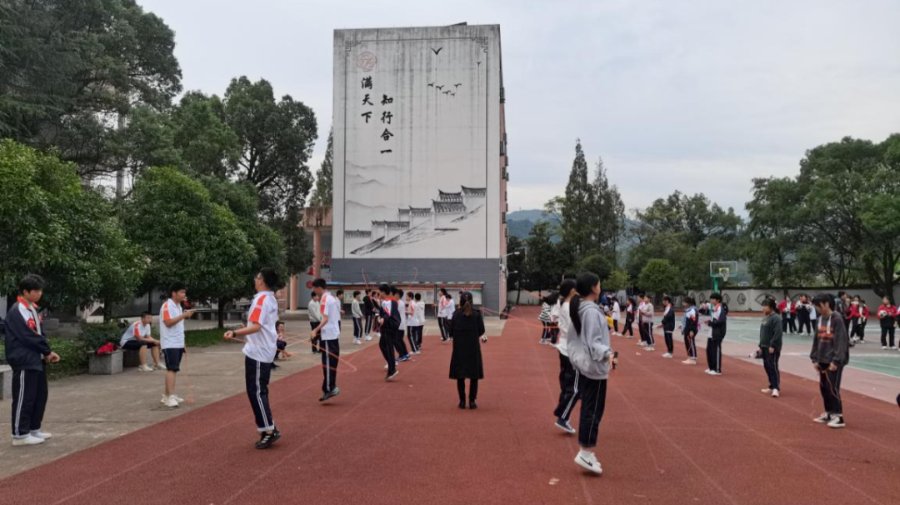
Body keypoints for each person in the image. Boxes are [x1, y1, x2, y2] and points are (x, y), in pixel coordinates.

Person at [224, 268, 282, 449]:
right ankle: (267, 427)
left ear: (262, 281)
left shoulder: (261, 299)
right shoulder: (271, 298)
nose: (254, 279)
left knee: (256, 391)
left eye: (257, 277)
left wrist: (235, 331)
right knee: (257, 390)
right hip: (262, 349)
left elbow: (256, 326)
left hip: (258, 351)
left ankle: (269, 430)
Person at [567, 272, 616, 475]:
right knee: (593, 410)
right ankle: (585, 451)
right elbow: (593, 341)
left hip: (588, 365)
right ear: (594, 288)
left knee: (591, 408)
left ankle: (586, 449)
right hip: (594, 367)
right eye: (599, 283)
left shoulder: (583, 309)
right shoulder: (590, 311)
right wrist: (608, 355)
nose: (600, 285)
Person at [6, 274, 61, 447]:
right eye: (35, 291)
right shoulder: (17, 310)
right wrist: (46, 349)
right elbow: (27, 336)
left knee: (39, 395)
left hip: (36, 358)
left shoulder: (32, 309)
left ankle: (33, 428)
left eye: (40, 290)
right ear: (25, 291)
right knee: (24, 397)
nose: (39, 294)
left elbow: (39, 333)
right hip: (24, 358)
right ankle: (20, 434)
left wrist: (45, 353)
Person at [810, 293, 850, 429]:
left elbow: (841, 341)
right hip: (821, 358)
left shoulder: (837, 319)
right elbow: (816, 339)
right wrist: (814, 357)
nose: (817, 309)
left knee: (833, 387)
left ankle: (838, 416)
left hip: (833, 360)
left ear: (827, 304)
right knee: (824, 387)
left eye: (819, 305)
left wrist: (836, 361)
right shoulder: (820, 319)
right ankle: (829, 412)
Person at [159, 283, 196, 408]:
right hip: (170, 343)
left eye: (184, 292)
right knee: (172, 369)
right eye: (181, 292)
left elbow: (179, 327)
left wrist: (182, 344)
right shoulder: (167, 306)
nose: (184, 295)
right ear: (173, 293)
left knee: (173, 369)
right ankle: (170, 396)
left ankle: (167, 395)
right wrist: (184, 316)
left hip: (177, 342)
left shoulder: (178, 306)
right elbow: (168, 323)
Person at [448, 291, 486, 410]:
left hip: (459, 349)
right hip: (473, 349)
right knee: (474, 376)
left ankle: (462, 401)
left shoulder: (456, 314)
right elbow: (481, 330)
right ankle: (472, 401)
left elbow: (451, 332)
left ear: (460, 301)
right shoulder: (477, 314)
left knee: (460, 375)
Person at [552, 279, 579, 434]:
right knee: (575, 389)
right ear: (571, 291)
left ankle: (563, 414)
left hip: (564, 348)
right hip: (570, 350)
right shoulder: (569, 307)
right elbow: (573, 330)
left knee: (566, 384)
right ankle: (562, 416)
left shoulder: (563, 305)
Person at [310, 278, 341, 402]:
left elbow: (325, 319)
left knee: (328, 363)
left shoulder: (325, 299)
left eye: (314, 288)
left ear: (319, 287)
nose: (313, 290)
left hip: (328, 335)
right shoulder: (331, 298)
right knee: (331, 362)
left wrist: (315, 330)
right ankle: (328, 387)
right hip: (333, 334)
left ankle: (329, 388)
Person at [375, 284, 401, 380]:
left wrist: (382, 319)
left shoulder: (389, 301)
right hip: (388, 327)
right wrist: (379, 316)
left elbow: (388, 314)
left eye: (380, 292)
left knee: (388, 347)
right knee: (383, 345)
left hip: (390, 327)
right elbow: (384, 313)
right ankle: (392, 364)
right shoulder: (386, 301)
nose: (379, 293)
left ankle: (392, 368)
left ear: (383, 292)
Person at [758, 299, 783, 398]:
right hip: (764, 346)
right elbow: (762, 333)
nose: (763, 308)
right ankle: (771, 385)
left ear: (771, 307)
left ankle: (776, 387)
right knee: (767, 366)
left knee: (773, 366)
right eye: (763, 306)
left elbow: (778, 333)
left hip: (772, 347)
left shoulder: (776, 318)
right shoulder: (765, 318)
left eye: (765, 306)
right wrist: (760, 345)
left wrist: (773, 345)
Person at [705, 293, 727, 376]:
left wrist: (711, 323)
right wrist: (710, 322)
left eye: (712, 299)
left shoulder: (720, 308)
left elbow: (721, 320)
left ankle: (717, 369)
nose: (711, 300)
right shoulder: (714, 308)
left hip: (717, 333)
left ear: (717, 300)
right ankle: (711, 367)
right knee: (709, 350)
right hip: (711, 332)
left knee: (716, 351)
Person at [393, 287, 411, 361]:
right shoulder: (400, 302)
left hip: (398, 324)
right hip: (401, 324)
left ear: (397, 295)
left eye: (394, 294)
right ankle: (405, 354)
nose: (393, 295)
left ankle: (402, 355)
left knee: (396, 341)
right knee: (400, 340)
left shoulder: (398, 303)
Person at [681, 296, 699, 365]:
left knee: (690, 342)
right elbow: (686, 320)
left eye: (684, 302)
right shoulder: (688, 310)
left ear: (688, 303)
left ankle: (693, 357)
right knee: (687, 342)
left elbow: (693, 320)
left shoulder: (692, 310)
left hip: (690, 329)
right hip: (687, 328)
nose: (683, 304)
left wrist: (691, 330)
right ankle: (690, 356)